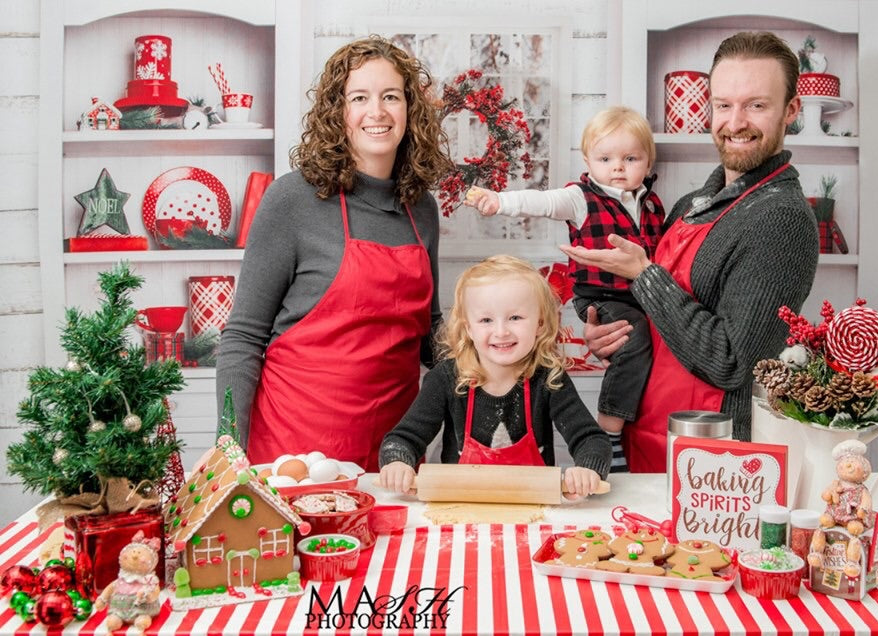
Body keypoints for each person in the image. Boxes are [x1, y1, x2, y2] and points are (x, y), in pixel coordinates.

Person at [561, 31, 819, 472]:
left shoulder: (782, 218)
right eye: (723, 104)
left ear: (790, 111)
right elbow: (663, 323)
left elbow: (732, 362)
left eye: (756, 105)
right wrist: (614, 334)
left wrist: (644, 275)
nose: (735, 121)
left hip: (707, 465)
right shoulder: (691, 205)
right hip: (642, 437)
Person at [216, 36, 453, 471]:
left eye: (391, 97)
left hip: (394, 457)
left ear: (410, 110)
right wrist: (228, 450)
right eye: (359, 97)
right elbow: (244, 336)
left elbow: (428, 332)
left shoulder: (421, 206)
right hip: (295, 453)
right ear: (337, 111)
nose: (376, 112)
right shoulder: (292, 199)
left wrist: (493, 362)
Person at [464, 107, 666, 472]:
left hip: (644, 294)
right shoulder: (581, 198)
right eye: (606, 158)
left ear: (648, 161)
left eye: (630, 158)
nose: (618, 167)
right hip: (604, 296)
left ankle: (639, 429)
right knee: (634, 341)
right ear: (588, 160)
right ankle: (611, 428)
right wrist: (500, 202)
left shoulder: (651, 204)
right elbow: (541, 201)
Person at [378, 255, 612, 498]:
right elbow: (403, 438)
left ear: (540, 324)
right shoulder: (446, 378)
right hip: (460, 507)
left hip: (532, 506)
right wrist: (397, 462)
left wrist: (587, 470)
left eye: (515, 317)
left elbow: (591, 439)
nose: (501, 332)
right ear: (469, 328)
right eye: (486, 320)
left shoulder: (549, 379)